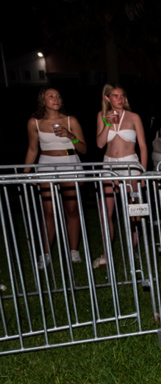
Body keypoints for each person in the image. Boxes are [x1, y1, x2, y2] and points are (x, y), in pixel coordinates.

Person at [24, 87, 88, 268]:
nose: (56, 99)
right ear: (42, 101)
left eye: (58, 96)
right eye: (51, 96)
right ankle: (45, 254)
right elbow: (32, 149)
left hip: (70, 161)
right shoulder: (34, 123)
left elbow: (83, 149)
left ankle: (73, 251)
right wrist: (25, 175)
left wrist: (70, 136)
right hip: (46, 164)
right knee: (48, 211)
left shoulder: (70, 120)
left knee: (72, 210)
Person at [94, 83, 148, 269]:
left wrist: (142, 173)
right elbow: (100, 144)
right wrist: (107, 124)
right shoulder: (102, 116)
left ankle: (133, 249)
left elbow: (143, 146)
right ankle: (106, 253)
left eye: (122, 95)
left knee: (134, 210)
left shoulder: (134, 117)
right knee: (105, 212)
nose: (120, 99)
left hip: (130, 164)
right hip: (109, 165)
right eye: (115, 96)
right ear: (107, 98)